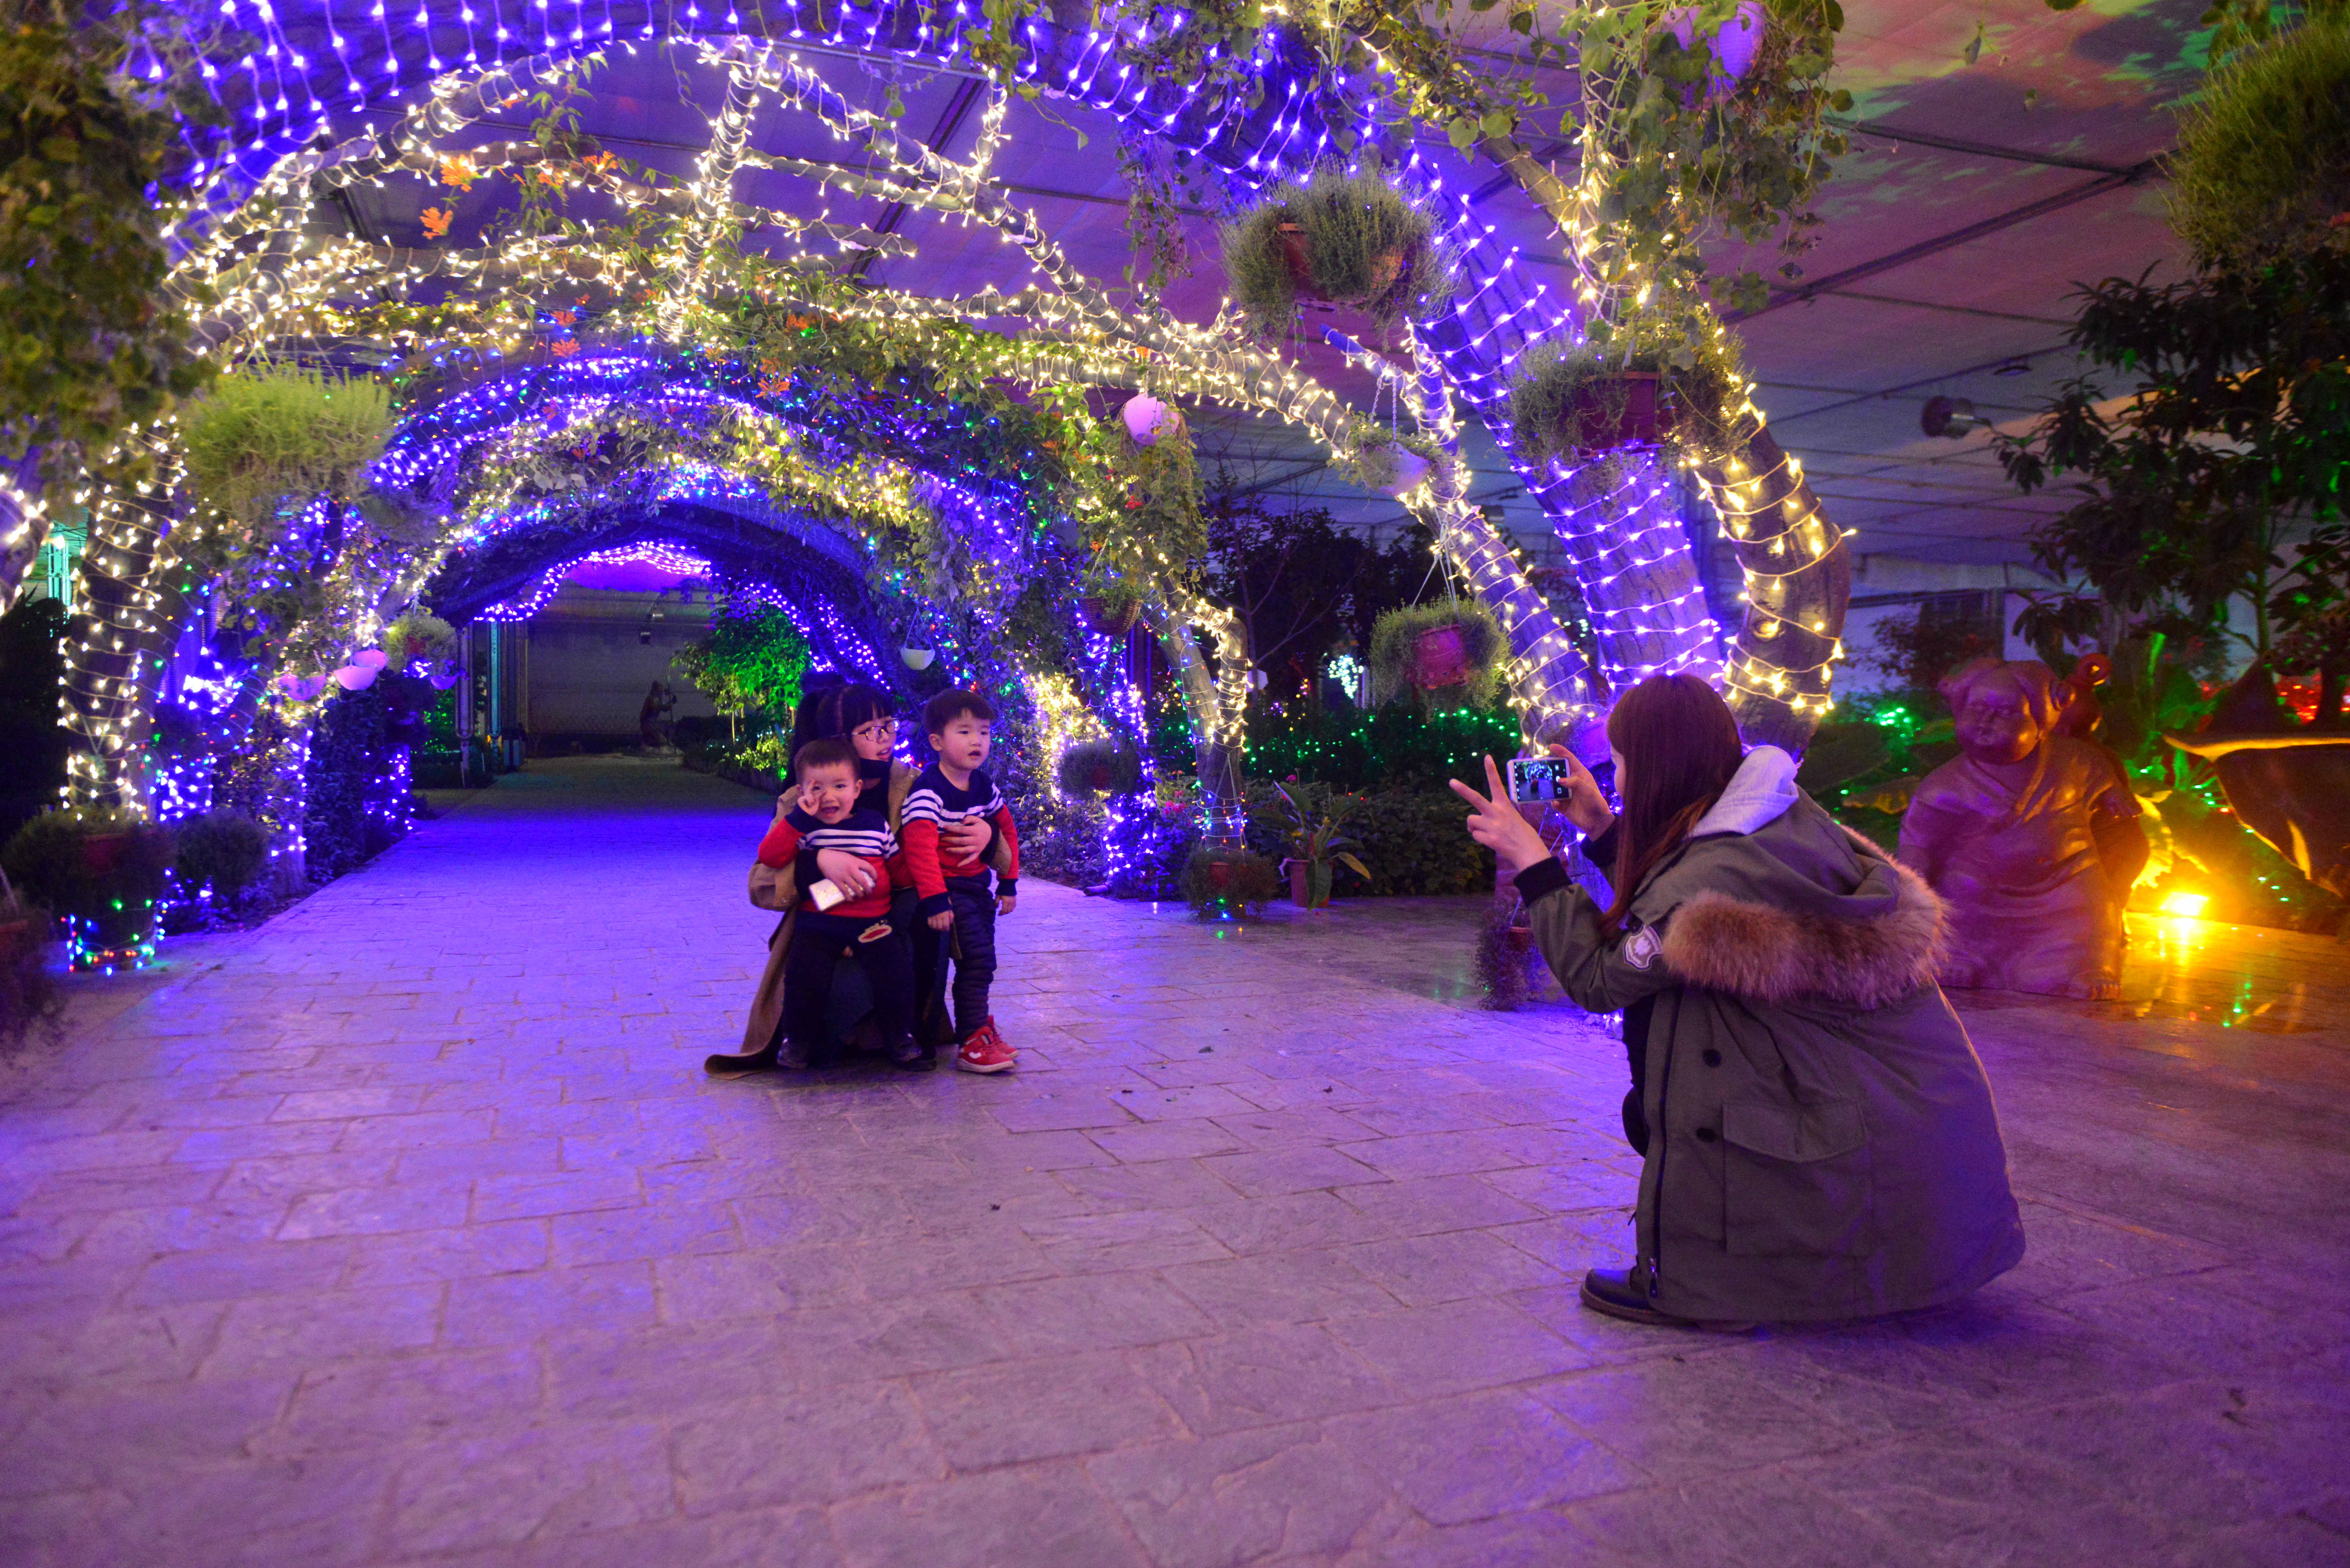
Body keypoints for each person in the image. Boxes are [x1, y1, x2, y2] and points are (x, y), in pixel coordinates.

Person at [1451, 673, 2026, 1329]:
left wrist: (1534, 862)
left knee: (1688, 1032)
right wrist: (1604, 829)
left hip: (1857, 1123)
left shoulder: (1720, 863)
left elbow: (1602, 977)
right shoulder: (1771, 813)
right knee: (1683, 1011)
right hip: (1913, 1131)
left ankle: (1704, 1283)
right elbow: (1669, 913)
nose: (1620, 778)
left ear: (1661, 763)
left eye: (1624, 762)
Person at [707, 682, 1004, 1074]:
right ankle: (811, 1038)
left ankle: (908, 1032)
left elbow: (984, 845)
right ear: (839, 740)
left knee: (925, 906)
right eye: (870, 731)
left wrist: (988, 835)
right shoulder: (807, 795)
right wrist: (819, 862)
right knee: (818, 982)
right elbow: (761, 883)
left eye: (889, 725)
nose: (885, 740)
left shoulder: (916, 784)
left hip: (890, 925)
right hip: (824, 920)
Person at [753, 737, 924, 1072]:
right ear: (802, 791)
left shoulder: (876, 825)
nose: (829, 797)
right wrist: (797, 821)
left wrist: (927, 864)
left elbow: (899, 869)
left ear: (857, 788)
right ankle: (798, 1040)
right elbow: (769, 857)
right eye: (817, 788)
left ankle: (899, 1036)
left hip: (873, 923)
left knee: (895, 974)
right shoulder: (806, 829)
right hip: (820, 923)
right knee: (804, 976)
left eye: (840, 786)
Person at [901, 689, 1020, 1074]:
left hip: (977, 889)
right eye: (965, 731)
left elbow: (1006, 830)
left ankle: (979, 1028)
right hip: (949, 893)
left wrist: (1009, 881)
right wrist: (935, 900)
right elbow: (918, 846)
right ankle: (972, 1040)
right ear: (937, 741)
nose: (977, 741)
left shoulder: (983, 786)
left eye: (984, 732)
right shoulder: (929, 790)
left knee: (981, 963)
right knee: (976, 961)